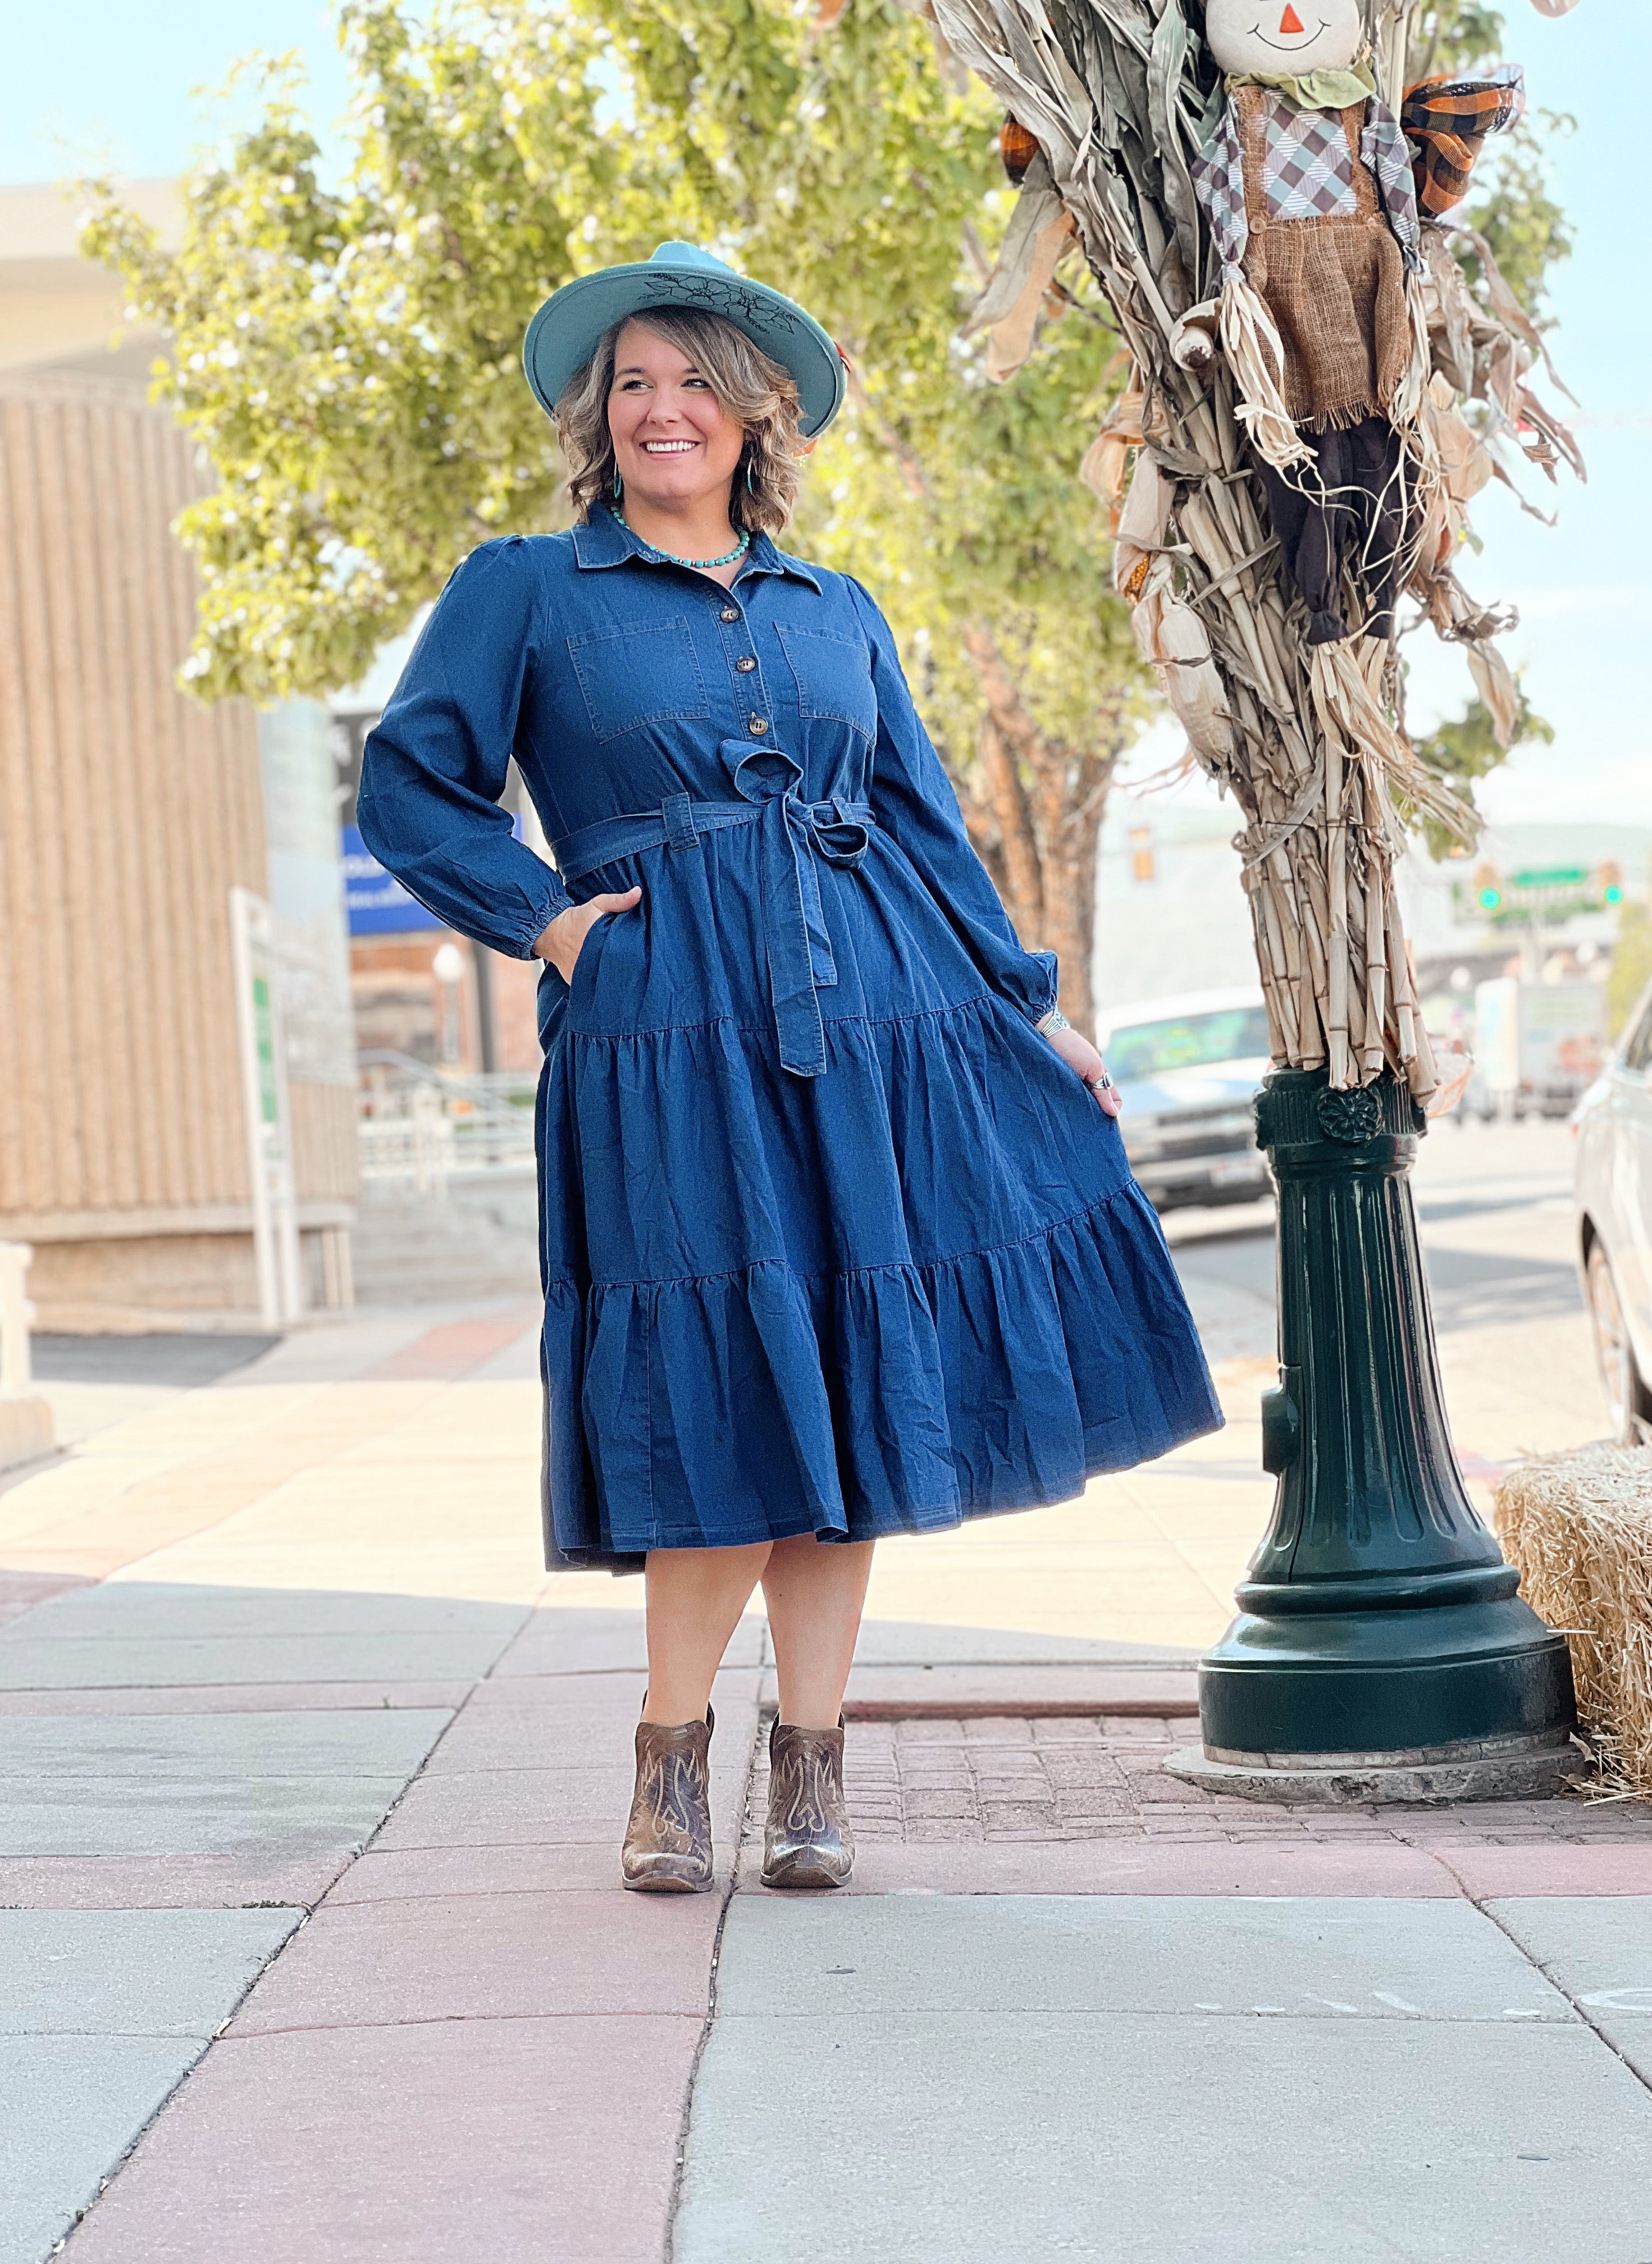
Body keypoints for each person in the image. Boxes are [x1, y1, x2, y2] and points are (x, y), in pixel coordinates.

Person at [357, 241, 1222, 1897]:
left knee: (852, 1376)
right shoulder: (524, 592)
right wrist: (552, 925)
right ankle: (670, 1765)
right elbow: (412, 790)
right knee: (715, 1379)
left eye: (695, 383)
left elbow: (922, 824)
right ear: (596, 424)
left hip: (878, 1015)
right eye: (633, 386)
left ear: (758, 416)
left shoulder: (840, 612)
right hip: (664, 1028)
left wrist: (1030, 1007)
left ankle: (813, 1774)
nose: (663, 411)